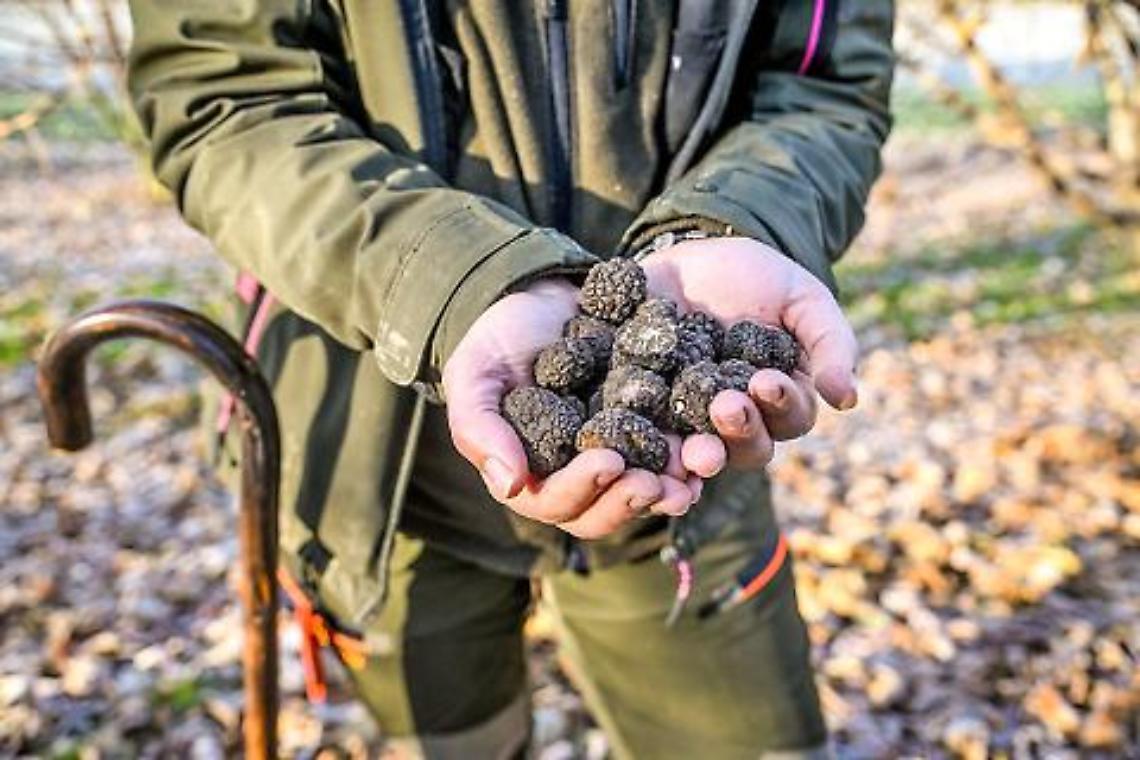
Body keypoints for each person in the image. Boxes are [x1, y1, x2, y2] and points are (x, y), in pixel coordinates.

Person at [126, 1, 893, 757]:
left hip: (692, 479)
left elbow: (823, 87)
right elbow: (222, 101)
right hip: (381, 465)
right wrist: (461, 284)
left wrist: (734, 223)